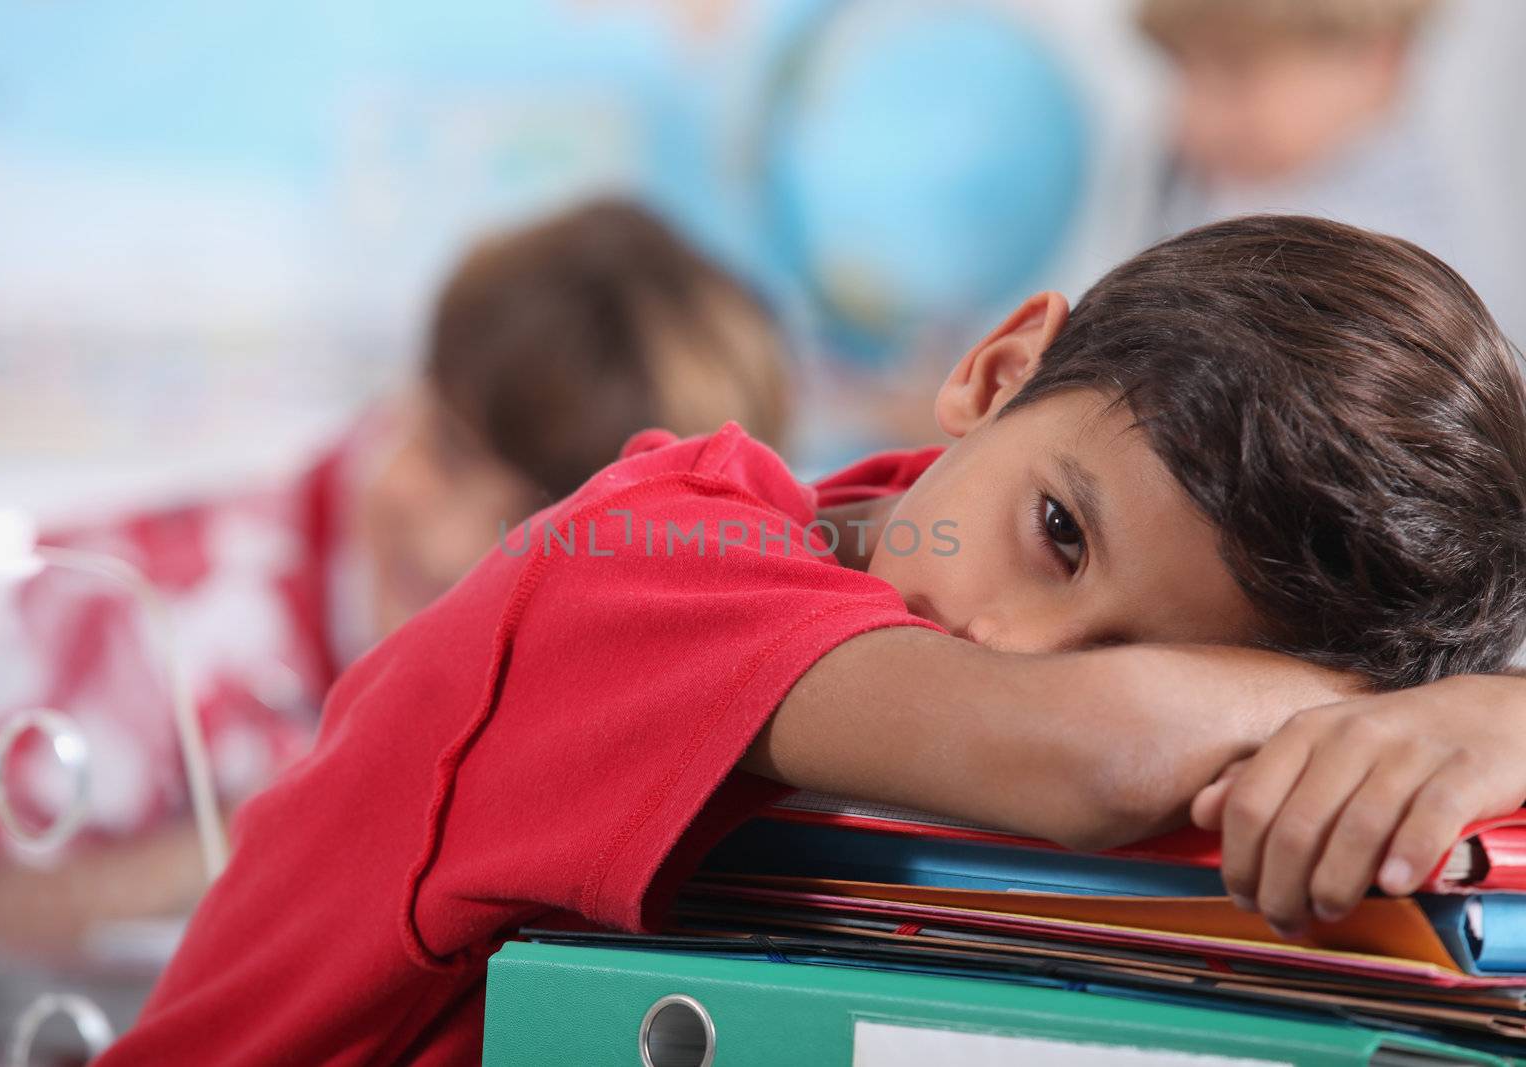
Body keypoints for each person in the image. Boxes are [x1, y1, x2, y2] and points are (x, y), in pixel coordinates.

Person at [93, 216, 1526, 1065]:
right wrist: (1472, 709)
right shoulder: (658, 555)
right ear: (999, 368)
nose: (1007, 637)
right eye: (1060, 533)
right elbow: (1084, 755)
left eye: (1130, 647)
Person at [0, 199, 790, 951]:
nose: (454, 542)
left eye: (543, 514)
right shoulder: (129, 603)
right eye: (448, 450)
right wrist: (306, 829)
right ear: (414, 385)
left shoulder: (654, 678)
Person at [1139, 0, 1452, 265]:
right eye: (1183, 71)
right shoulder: (1194, 186)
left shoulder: (1397, 256)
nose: (1194, 117)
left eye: (1234, 75)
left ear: (1378, 60)